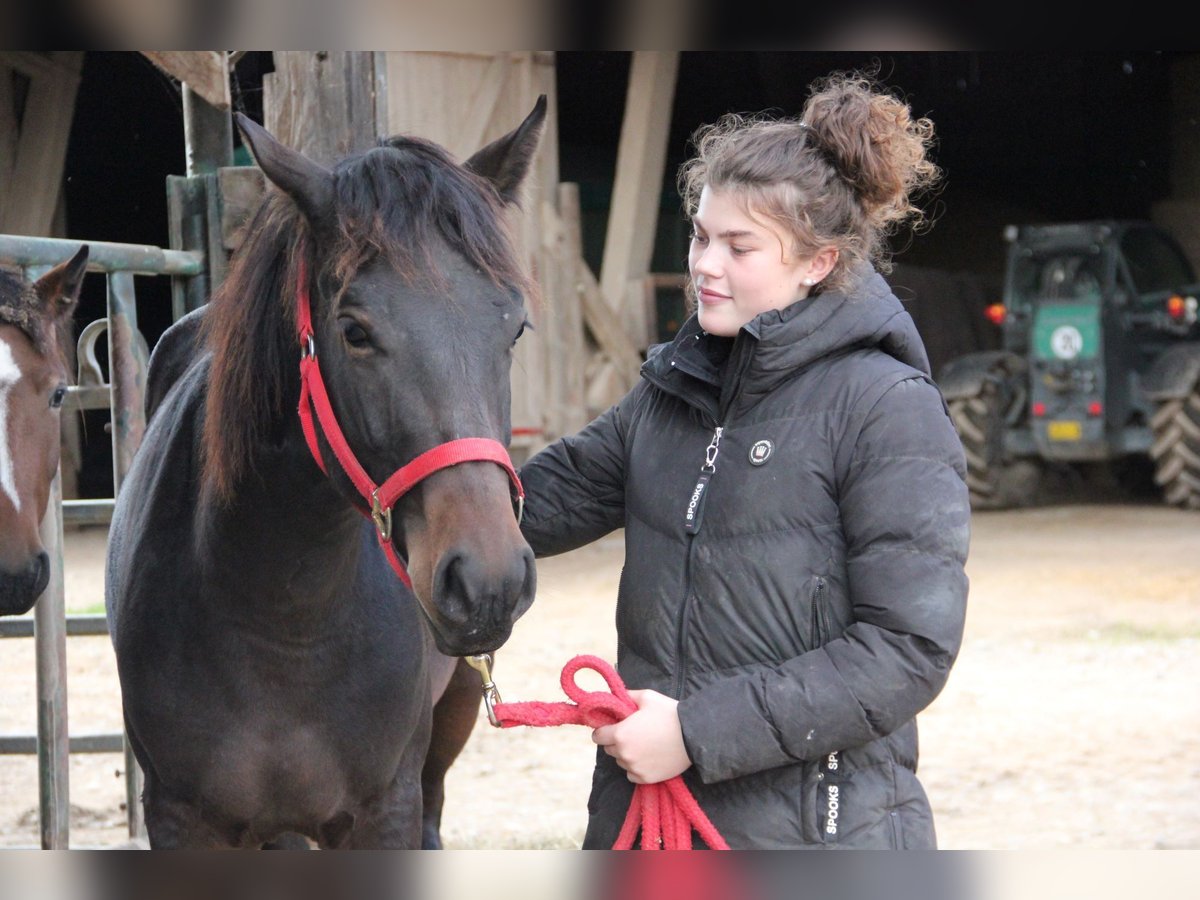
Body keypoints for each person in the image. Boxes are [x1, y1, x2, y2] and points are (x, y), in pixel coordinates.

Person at [517, 70, 970, 849]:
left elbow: (907, 650)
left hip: (821, 839)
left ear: (817, 263)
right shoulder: (672, 389)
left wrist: (695, 732)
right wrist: (389, 494)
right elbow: (535, 504)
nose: (705, 265)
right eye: (699, 235)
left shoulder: (887, 406)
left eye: (739, 246)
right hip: (648, 826)